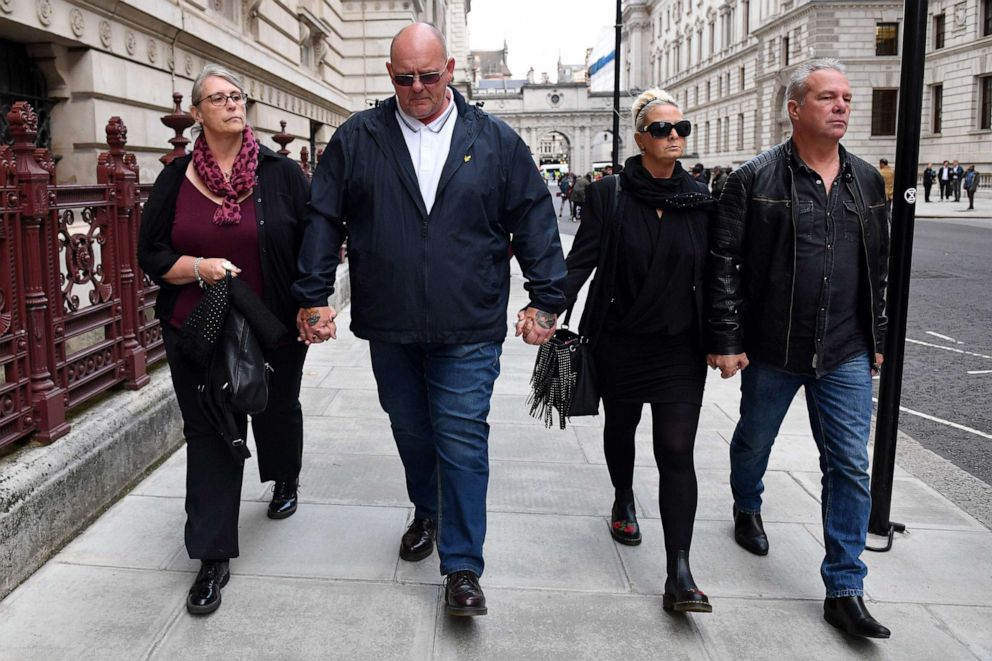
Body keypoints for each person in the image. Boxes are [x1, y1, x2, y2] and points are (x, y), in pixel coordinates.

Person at [291, 23, 566, 617]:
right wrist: (313, 295)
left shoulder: (493, 140)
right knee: (412, 429)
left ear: (450, 72)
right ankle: (429, 509)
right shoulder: (358, 137)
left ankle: (463, 566)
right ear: (390, 77)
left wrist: (547, 298)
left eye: (427, 75)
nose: (416, 87)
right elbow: (322, 218)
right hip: (390, 321)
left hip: (468, 322)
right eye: (403, 77)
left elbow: (535, 219)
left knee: (462, 436)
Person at [706, 58, 890, 639]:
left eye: (846, 98)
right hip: (774, 346)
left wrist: (877, 338)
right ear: (794, 109)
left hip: (846, 348)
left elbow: (877, 269)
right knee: (754, 439)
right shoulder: (753, 179)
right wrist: (728, 340)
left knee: (848, 465)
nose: (841, 106)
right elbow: (725, 266)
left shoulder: (867, 179)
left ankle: (845, 586)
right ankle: (746, 502)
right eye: (827, 97)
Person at [137, 64, 310, 615]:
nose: (233, 105)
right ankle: (212, 557)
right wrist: (199, 266)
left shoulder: (281, 174)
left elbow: (314, 245)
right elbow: (152, 255)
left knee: (276, 406)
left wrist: (313, 302)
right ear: (197, 113)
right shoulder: (175, 178)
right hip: (197, 326)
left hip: (272, 322)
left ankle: (284, 476)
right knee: (212, 430)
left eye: (238, 97)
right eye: (219, 98)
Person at [563, 88, 714, 614]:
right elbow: (580, 262)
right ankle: (623, 497)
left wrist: (727, 341)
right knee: (621, 427)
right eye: (661, 129)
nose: (674, 136)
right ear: (639, 138)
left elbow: (719, 278)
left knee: (676, 451)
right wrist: (543, 308)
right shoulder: (609, 195)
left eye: (681, 129)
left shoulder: (701, 198)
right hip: (619, 339)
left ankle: (680, 573)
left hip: (679, 347)